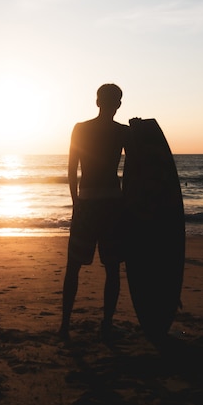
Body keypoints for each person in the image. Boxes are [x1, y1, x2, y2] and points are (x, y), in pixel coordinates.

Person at [59, 83, 131, 340]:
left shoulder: (81, 129)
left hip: (87, 203)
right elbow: (139, 169)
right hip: (112, 205)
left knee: (73, 266)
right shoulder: (123, 132)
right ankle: (107, 326)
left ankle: (65, 326)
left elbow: (71, 168)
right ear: (119, 104)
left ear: (97, 101)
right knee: (112, 268)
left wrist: (76, 202)